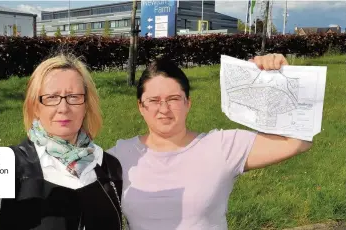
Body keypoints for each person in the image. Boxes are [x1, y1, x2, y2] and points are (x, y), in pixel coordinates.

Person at [107, 53, 313, 230]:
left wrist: (284, 77)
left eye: (174, 99)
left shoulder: (222, 146)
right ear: (141, 107)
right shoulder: (120, 155)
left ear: (188, 103)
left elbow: (298, 142)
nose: (164, 109)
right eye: (153, 100)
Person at [0, 54, 124, 230]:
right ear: (35, 106)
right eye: (52, 97)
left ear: (86, 104)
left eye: (73, 96)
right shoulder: (8, 165)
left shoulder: (109, 166)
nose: (63, 107)